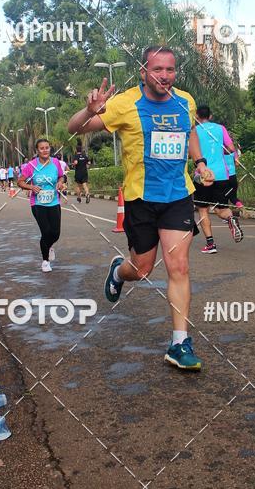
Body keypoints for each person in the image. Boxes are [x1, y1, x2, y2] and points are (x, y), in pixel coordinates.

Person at [68, 45, 215, 372]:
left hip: (178, 194)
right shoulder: (124, 104)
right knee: (143, 268)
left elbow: (189, 132)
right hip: (141, 198)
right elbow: (75, 129)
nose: (164, 76)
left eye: (170, 70)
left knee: (179, 267)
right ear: (143, 72)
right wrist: (89, 110)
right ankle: (120, 270)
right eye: (158, 70)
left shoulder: (185, 101)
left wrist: (200, 163)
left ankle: (179, 342)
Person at [194, 106, 243, 253]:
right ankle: (230, 219)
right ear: (211, 115)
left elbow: (191, 152)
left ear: (196, 116)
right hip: (222, 174)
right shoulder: (220, 128)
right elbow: (230, 148)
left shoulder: (194, 131)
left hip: (204, 175)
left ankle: (210, 244)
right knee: (221, 208)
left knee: (203, 209)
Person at [17, 139, 65, 272]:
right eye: (42, 148)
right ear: (37, 151)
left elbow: (61, 177)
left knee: (55, 233)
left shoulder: (55, 162)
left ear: (50, 149)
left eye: (47, 148)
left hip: (54, 202)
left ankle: (49, 246)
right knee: (46, 232)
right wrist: (31, 186)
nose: (45, 150)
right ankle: (45, 261)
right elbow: (20, 182)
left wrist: (60, 183)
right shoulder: (31, 165)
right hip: (38, 203)